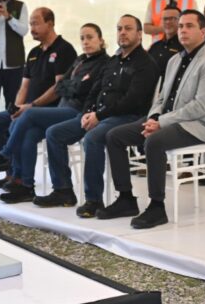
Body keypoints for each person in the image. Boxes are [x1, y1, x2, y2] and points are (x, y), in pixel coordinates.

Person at [101, 10, 205, 229]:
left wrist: (162, 123)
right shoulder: (174, 60)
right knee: (115, 136)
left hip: (197, 126)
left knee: (154, 142)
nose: (183, 30)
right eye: (180, 26)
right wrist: (154, 118)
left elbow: (200, 107)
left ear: (203, 31)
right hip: (166, 121)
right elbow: (161, 97)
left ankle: (157, 206)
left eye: (189, 26)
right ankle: (126, 198)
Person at [43, 15, 159, 219]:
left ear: (140, 34)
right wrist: (88, 111)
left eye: (128, 28)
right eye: (119, 28)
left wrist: (98, 115)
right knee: (54, 133)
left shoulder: (146, 63)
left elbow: (131, 101)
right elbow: (96, 89)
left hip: (128, 117)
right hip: (99, 115)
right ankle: (63, 190)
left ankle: (93, 199)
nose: (122, 32)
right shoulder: (114, 61)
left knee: (93, 138)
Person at [0, 24, 108, 204]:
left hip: (77, 111)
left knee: (29, 114)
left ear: (101, 40)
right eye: (82, 38)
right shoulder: (79, 60)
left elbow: (84, 88)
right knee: (30, 133)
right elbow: (61, 86)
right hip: (62, 108)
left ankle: (6, 155)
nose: (85, 42)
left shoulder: (104, 63)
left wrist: (72, 86)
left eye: (90, 37)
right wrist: (73, 86)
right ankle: (26, 185)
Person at [0, 8, 76, 176]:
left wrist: (31, 106)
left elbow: (58, 88)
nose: (32, 28)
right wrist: (17, 108)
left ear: (50, 23)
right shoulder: (34, 53)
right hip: (27, 109)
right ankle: (11, 167)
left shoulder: (64, 50)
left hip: (49, 111)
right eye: (30, 24)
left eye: (36, 23)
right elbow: (24, 86)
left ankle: (21, 180)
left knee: (26, 131)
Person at [149, 4, 183, 76]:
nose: (167, 22)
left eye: (172, 18)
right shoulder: (154, 47)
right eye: (165, 19)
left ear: (180, 20)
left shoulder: (185, 47)